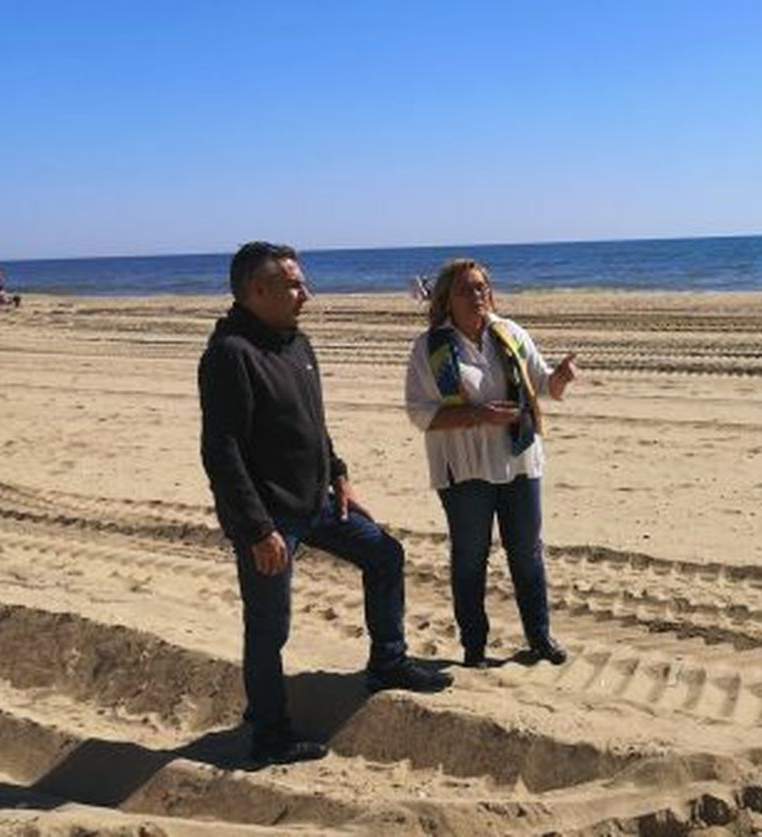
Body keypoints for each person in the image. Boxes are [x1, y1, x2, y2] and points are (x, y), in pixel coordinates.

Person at [199, 241, 452, 766]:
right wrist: (257, 529)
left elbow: (313, 423)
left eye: (302, 282)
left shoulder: (296, 343)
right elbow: (221, 453)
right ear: (256, 291)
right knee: (270, 627)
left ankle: (388, 662)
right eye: (293, 285)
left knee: (385, 554)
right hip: (269, 518)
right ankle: (269, 734)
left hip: (315, 501)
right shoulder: (229, 356)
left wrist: (339, 476)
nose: (305, 294)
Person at [404, 258, 578, 668]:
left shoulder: (510, 333)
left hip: (518, 461)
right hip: (463, 470)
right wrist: (479, 415)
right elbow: (419, 413)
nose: (477, 296)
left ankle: (539, 638)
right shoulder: (430, 348)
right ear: (447, 299)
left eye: (482, 287)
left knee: (527, 553)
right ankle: (475, 647)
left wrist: (562, 378)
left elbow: (542, 385)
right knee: (470, 556)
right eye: (466, 289)